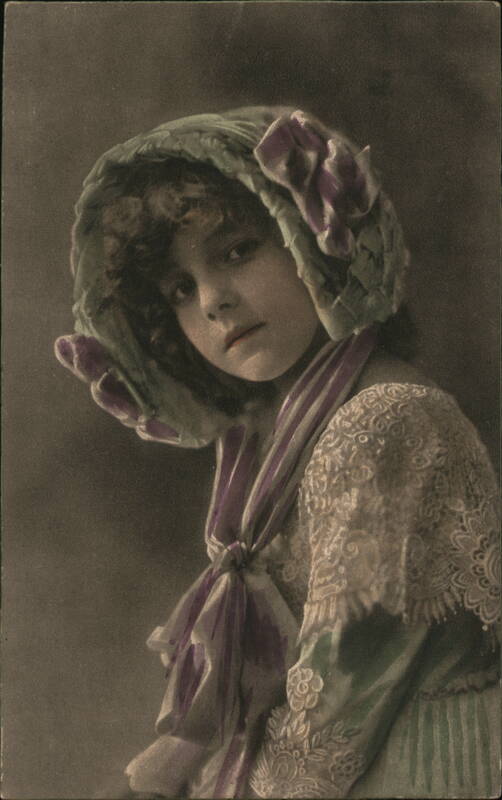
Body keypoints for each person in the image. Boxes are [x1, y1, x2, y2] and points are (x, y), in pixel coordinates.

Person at [55, 107, 500, 799]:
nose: (214, 301)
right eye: (181, 289)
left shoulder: (384, 422)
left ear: (313, 244)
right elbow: (261, 667)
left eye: (236, 251)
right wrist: (174, 758)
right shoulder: (269, 445)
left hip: (418, 769)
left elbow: (335, 709)